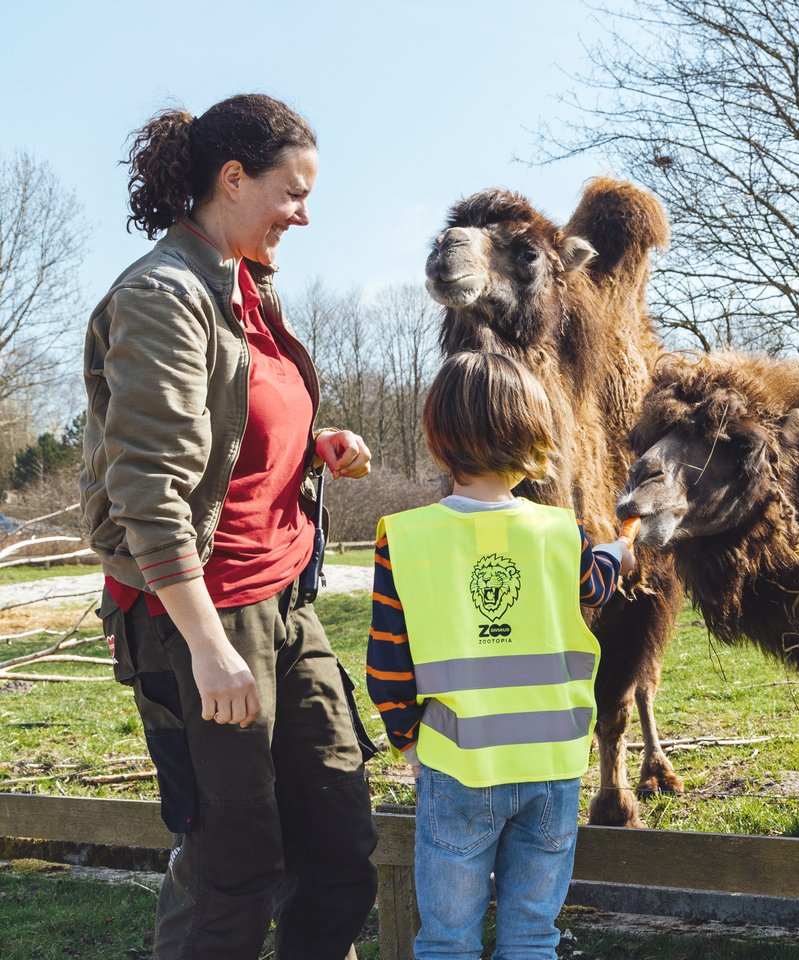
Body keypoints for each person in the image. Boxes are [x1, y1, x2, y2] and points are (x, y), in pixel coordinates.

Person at [80, 94, 379, 960]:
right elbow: (146, 485)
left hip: (284, 602)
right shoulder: (163, 298)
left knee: (338, 849)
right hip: (200, 618)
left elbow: (232, 430)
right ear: (233, 177)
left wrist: (312, 446)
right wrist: (209, 647)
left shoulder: (246, 287)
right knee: (233, 869)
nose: (304, 212)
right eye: (292, 191)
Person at [367, 350, 637, 960]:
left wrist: (412, 744)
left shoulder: (405, 539)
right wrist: (620, 552)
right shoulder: (561, 533)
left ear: (438, 439)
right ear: (533, 436)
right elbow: (595, 582)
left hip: (456, 769)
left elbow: (386, 666)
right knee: (532, 937)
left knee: (446, 939)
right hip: (551, 769)